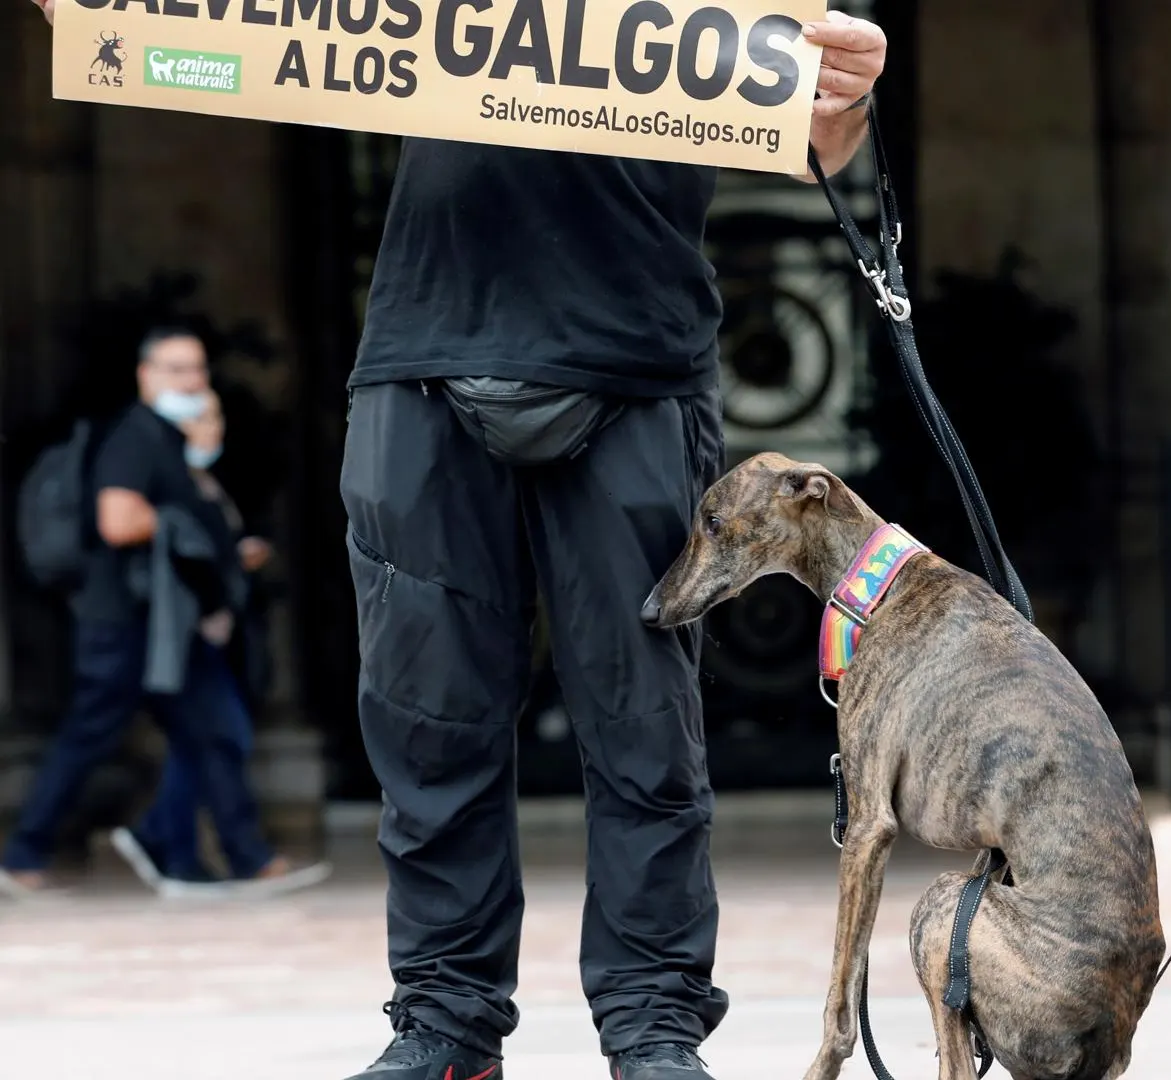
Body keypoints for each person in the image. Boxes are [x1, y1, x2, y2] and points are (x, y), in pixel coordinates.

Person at [26, 1, 890, 1076]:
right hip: (424, 348)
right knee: (427, 722)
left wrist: (844, 94)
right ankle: (445, 1026)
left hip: (632, 358)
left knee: (643, 731)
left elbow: (815, 135)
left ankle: (654, 1030)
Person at [0, 327, 327, 897]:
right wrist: (193, 532)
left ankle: (220, 856)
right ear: (146, 375)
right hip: (125, 621)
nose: (192, 382)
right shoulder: (135, 438)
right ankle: (29, 852)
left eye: (198, 370)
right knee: (92, 735)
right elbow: (118, 521)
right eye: (177, 370)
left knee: (215, 728)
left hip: (166, 624)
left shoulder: (169, 441)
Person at [110, 388, 296, 889]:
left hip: (208, 635)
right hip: (181, 634)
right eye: (200, 417)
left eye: (215, 416)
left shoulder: (206, 484)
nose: (210, 428)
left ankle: (173, 850)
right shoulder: (167, 484)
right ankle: (242, 855)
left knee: (199, 744)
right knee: (223, 733)